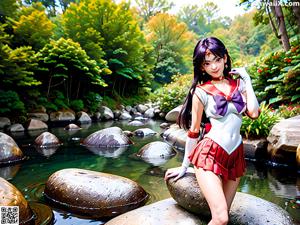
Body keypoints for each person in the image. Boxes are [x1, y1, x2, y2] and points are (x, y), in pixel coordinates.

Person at [164, 37, 260, 225]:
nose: (214, 66)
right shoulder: (200, 92)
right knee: (221, 218)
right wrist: (185, 167)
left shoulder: (239, 86)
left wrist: (247, 79)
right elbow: (193, 131)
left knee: (223, 218)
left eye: (217, 60)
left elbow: (254, 113)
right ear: (201, 67)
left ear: (225, 58)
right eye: (207, 63)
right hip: (210, 154)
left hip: (235, 156)